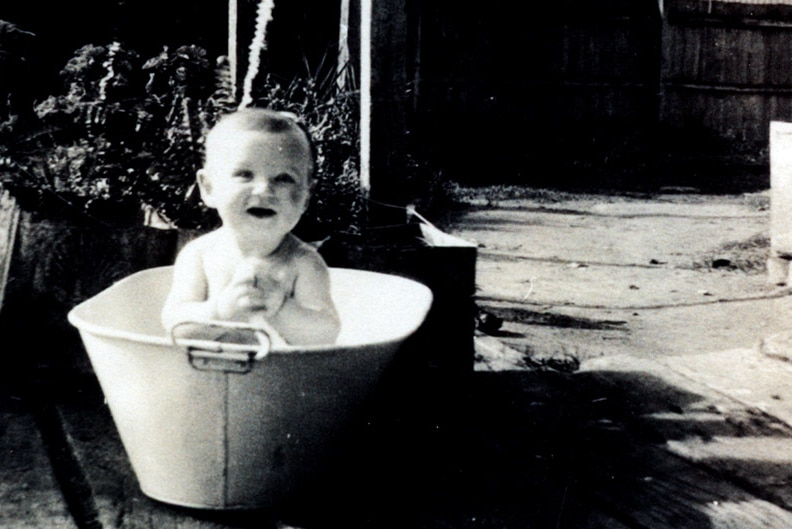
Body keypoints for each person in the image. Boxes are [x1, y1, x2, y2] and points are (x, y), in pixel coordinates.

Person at [161, 108, 340, 347]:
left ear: (306, 196)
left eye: (283, 178)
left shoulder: (303, 262)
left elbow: (326, 334)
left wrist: (281, 309)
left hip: (279, 378)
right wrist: (219, 312)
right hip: (207, 373)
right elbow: (174, 324)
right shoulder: (199, 255)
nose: (264, 190)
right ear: (209, 188)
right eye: (244, 174)